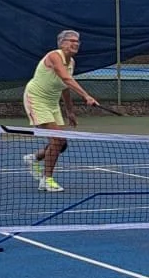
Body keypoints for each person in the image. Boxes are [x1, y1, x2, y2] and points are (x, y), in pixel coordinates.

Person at [22, 30, 99, 192]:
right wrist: (86, 96)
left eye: (77, 41)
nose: (75, 43)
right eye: (71, 40)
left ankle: (34, 158)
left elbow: (65, 87)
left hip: (52, 102)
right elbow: (66, 79)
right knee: (57, 140)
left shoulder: (71, 63)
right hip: (36, 99)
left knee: (61, 143)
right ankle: (46, 179)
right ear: (61, 43)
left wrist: (70, 111)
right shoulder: (54, 56)